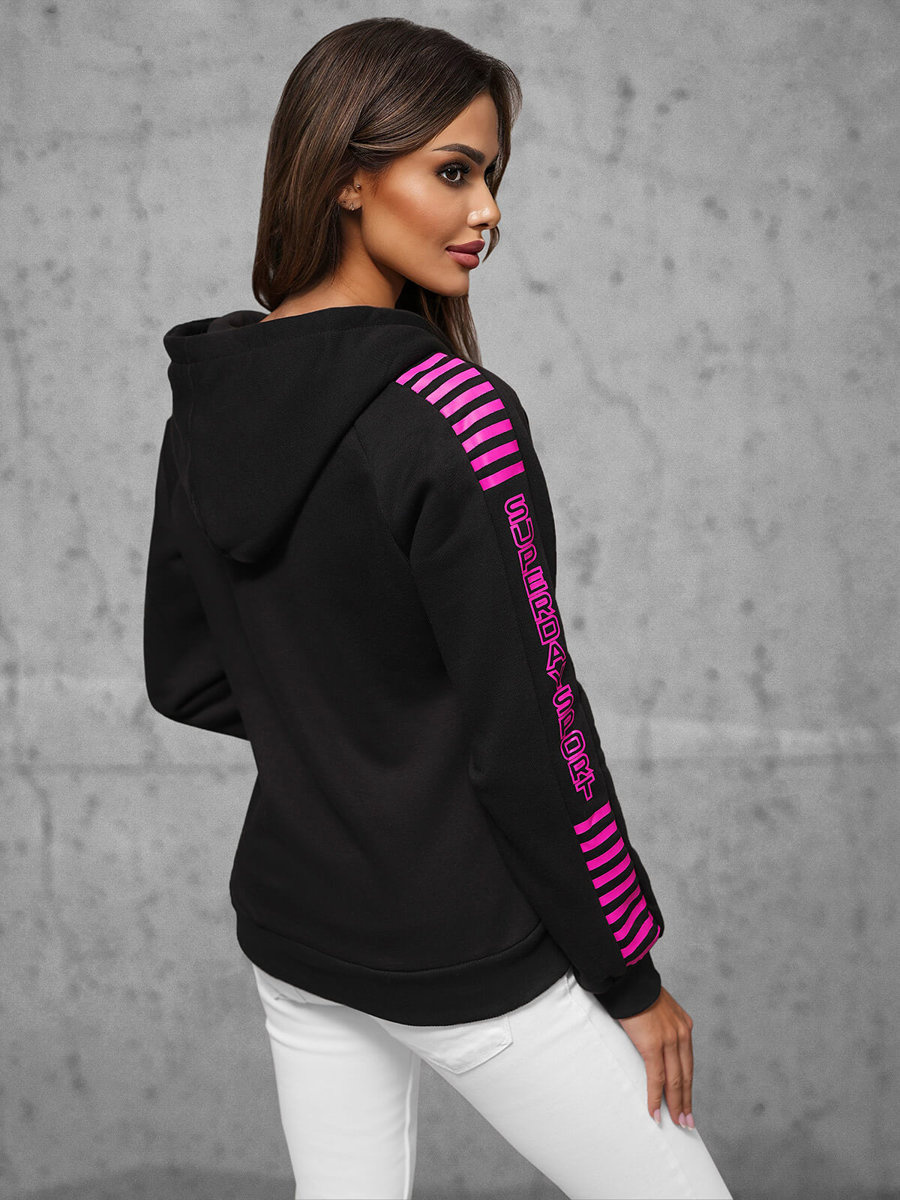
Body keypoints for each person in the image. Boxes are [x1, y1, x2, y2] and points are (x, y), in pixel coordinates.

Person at [143, 17, 733, 1200]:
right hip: (460, 950)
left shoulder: (211, 395)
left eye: (492, 177)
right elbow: (534, 729)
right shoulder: (456, 416)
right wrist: (628, 977)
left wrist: (345, 748)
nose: (487, 211)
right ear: (349, 176)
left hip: (297, 933)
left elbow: (189, 675)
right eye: (453, 171)